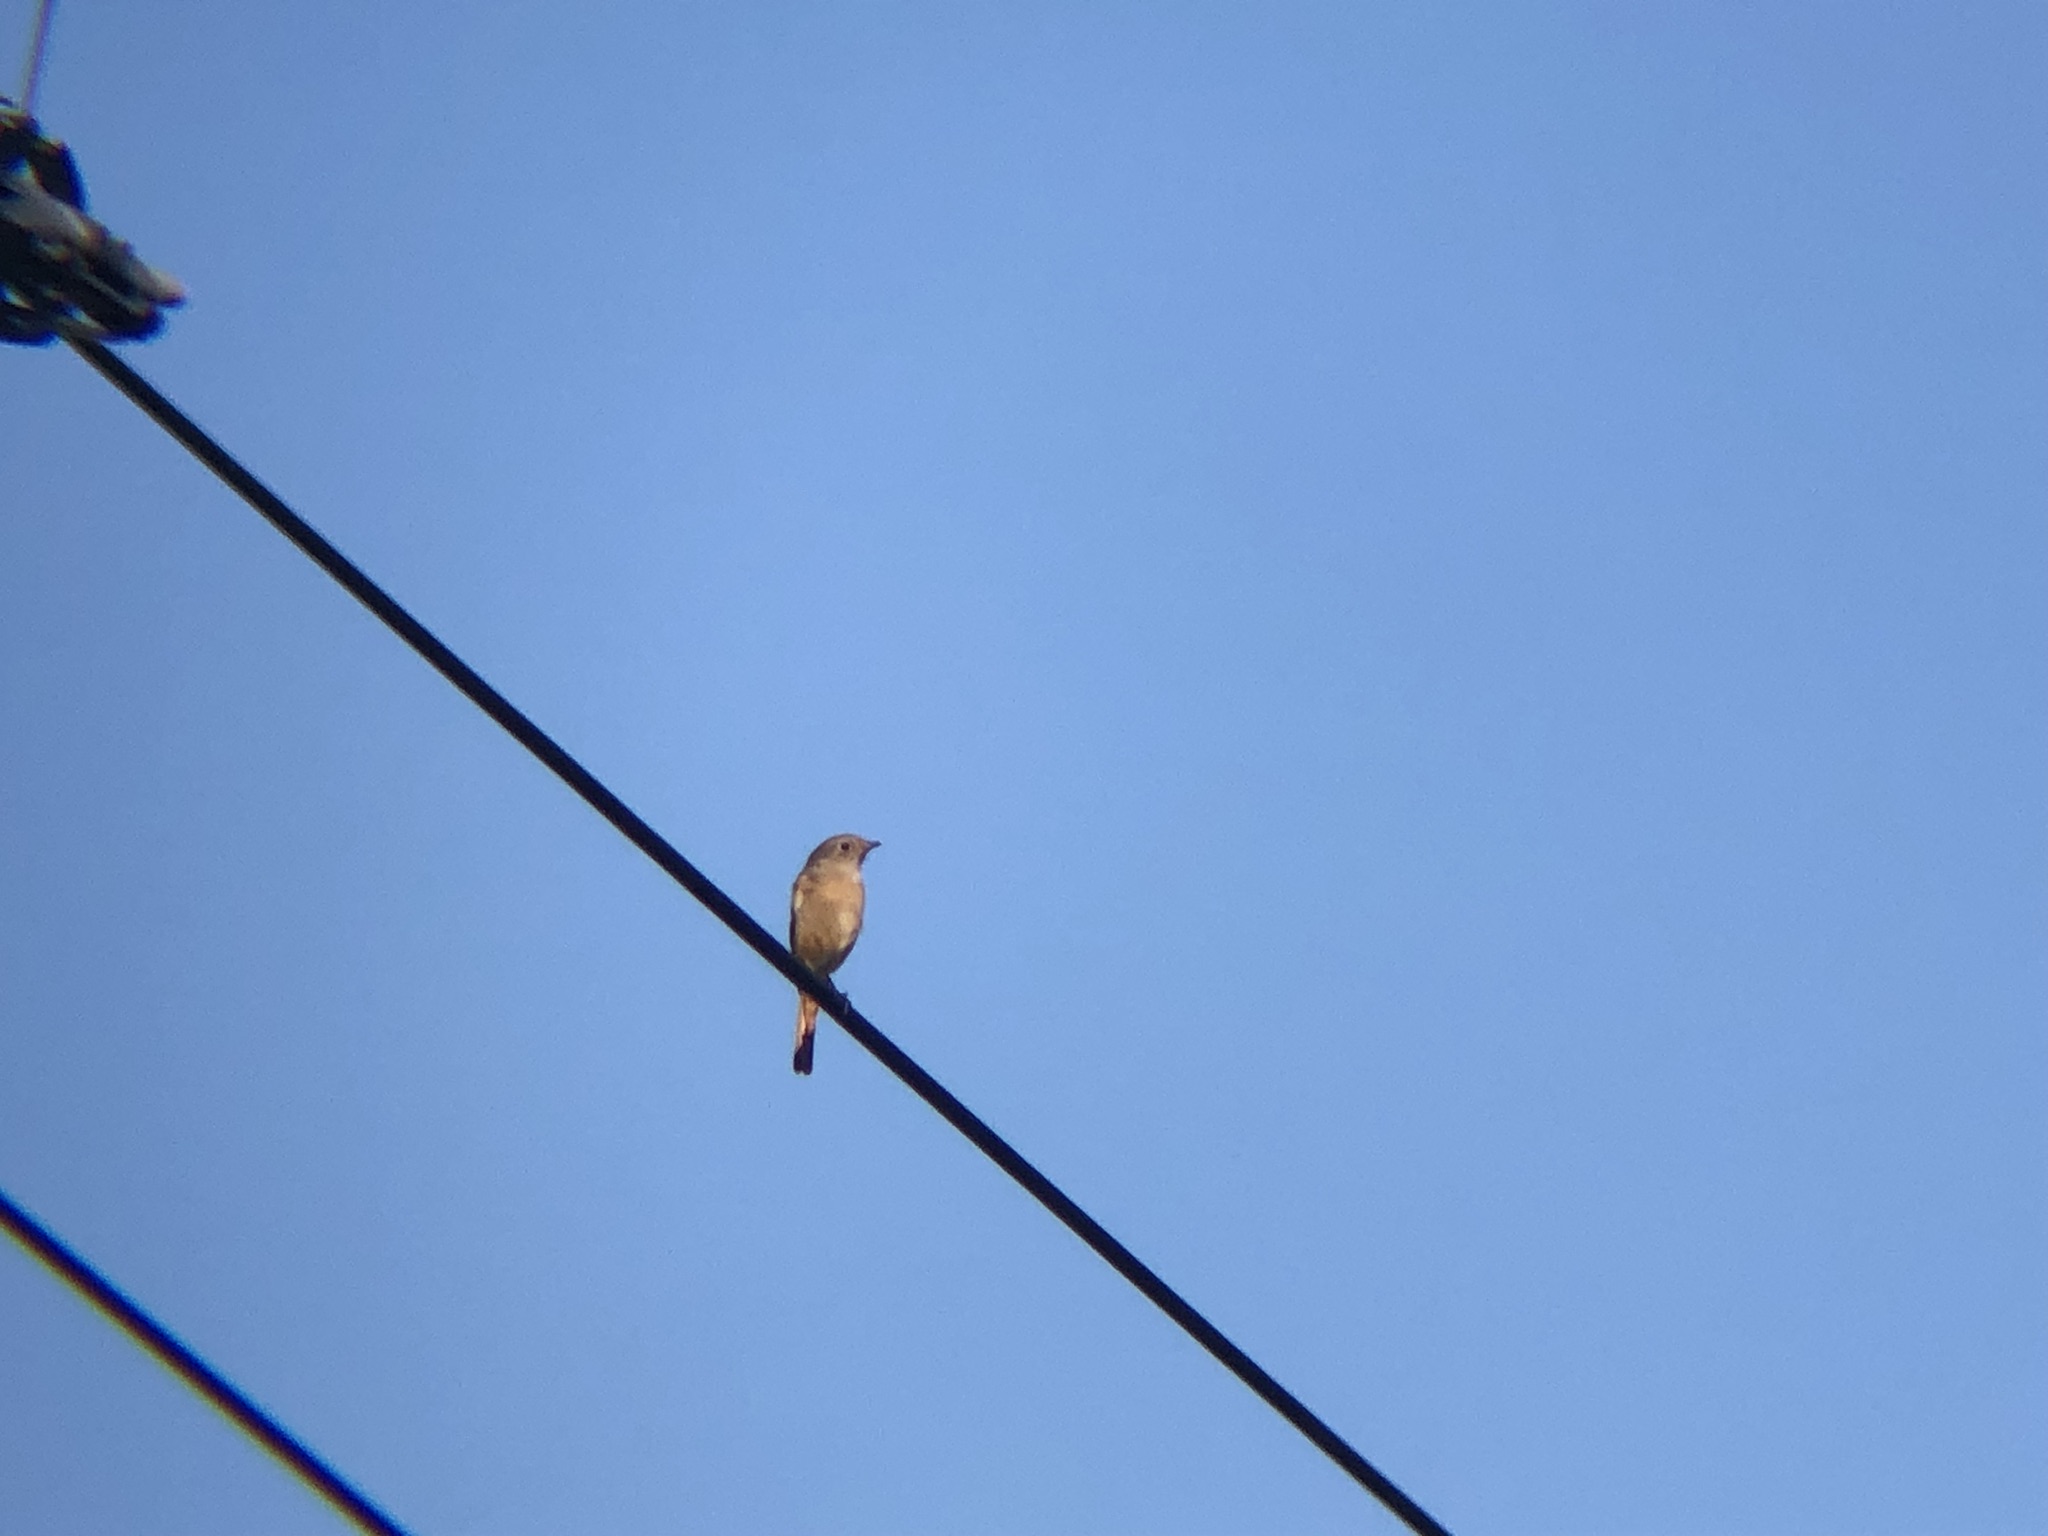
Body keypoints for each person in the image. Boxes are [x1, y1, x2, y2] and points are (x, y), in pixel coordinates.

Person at [1, 96, 183, 344]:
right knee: (59, 255)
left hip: (51, 235)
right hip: (43, 250)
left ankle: (108, 281)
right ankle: (100, 283)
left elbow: (31, 138)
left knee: (68, 246)